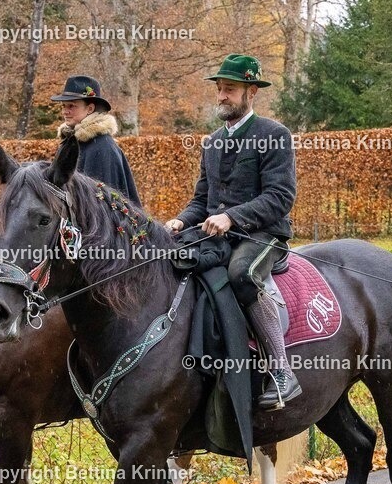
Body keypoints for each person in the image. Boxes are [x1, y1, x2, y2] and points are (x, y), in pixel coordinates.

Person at [165, 54, 299, 409]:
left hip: (262, 235)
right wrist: (180, 221)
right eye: (220, 89)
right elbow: (201, 202)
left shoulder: (274, 135)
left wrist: (233, 218)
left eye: (230, 89)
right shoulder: (210, 143)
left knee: (241, 275)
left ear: (251, 92)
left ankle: (282, 372)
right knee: (170, 259)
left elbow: (280, 197)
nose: (222, 95)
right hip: (216, 235)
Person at [51, 75, 140, 204]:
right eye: (63, 106)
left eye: (71, 106)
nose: (65, 111)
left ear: (90, 109)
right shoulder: (72, 142)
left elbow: (103, 208)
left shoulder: (102, 147)